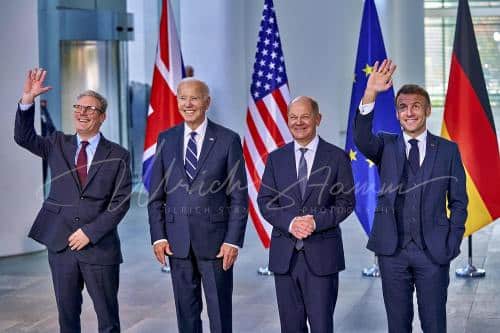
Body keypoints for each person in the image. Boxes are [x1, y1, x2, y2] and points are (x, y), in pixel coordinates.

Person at [354, 59, 468, 333]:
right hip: (392, 253)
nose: (410, 112)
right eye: (403, 107)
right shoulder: (384, 145)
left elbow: (459, 202)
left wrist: (451, 242)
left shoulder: (448, 150)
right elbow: (360, 137)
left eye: (416, 106)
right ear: (397, 114)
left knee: (434, 324)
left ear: (427, 110)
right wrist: (370, 92)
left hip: (434, 253)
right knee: (398, 325)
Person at [14, 68, 132, 333]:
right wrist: (27, 100)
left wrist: (90, 233)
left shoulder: (118, 155)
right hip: (61, 247)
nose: (82, 112)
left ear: (102, 117)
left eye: (90, 109)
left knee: (108, 320)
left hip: (99, 249)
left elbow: (120, 203)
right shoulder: (57, 143)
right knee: (67, 319)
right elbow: (23, 137)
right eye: (78, 107)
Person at [148, 78, 248, 333]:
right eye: (182, 98)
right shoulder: (166, 139)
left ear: (207, 102)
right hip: (177, 242)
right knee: (186, 314)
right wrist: (158, 237)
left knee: (220, 314)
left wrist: (233, 241)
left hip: (216, 245)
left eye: (194, 98)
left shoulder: (228, 140)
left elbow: (238, 197)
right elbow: (156, 195)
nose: (187, 104)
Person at [257, 96, 355, 333]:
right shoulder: (276, 158)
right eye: (293, 117)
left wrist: (315, 222)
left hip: (322, 256)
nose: (298, 122)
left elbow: (346, 202)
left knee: (322, 326)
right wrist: (290, 223)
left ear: (317, 119)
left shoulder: (336, 157)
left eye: (305, 116)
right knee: (290, 327)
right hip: (285, 258)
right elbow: (265, 201)